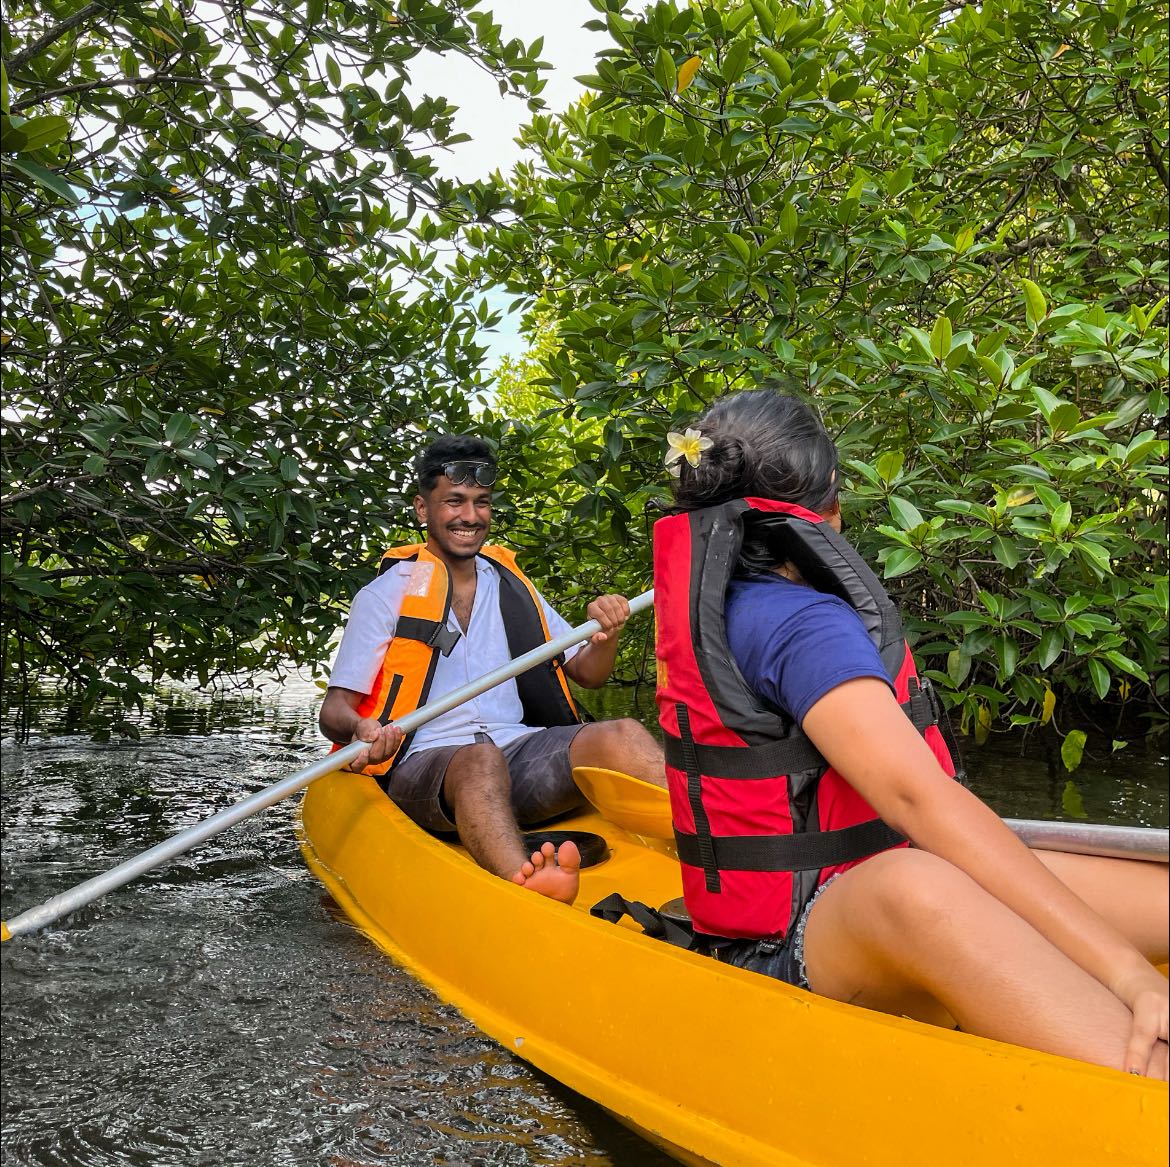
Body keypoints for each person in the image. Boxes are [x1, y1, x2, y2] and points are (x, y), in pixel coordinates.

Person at [653, 388, 1168, 1079]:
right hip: (801, 940)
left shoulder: (728, 604)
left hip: (818, 897)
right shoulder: (797, 623)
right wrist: (1126, 971)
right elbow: (919, 801)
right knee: (916, 880)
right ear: (822, 511)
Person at [320, 434, 664, 905]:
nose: (470, 516)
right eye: (454, 501)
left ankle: (716, 843)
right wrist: (362, 725)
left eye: (481, 503)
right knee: (478, 761)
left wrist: (608, 632)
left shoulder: (513, 586)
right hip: (425, 765)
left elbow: (588, 673)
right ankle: (525, 886)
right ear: (423, 510)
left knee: (621, 732)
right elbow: (333, 710)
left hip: (515, 754)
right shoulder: (383, 597)